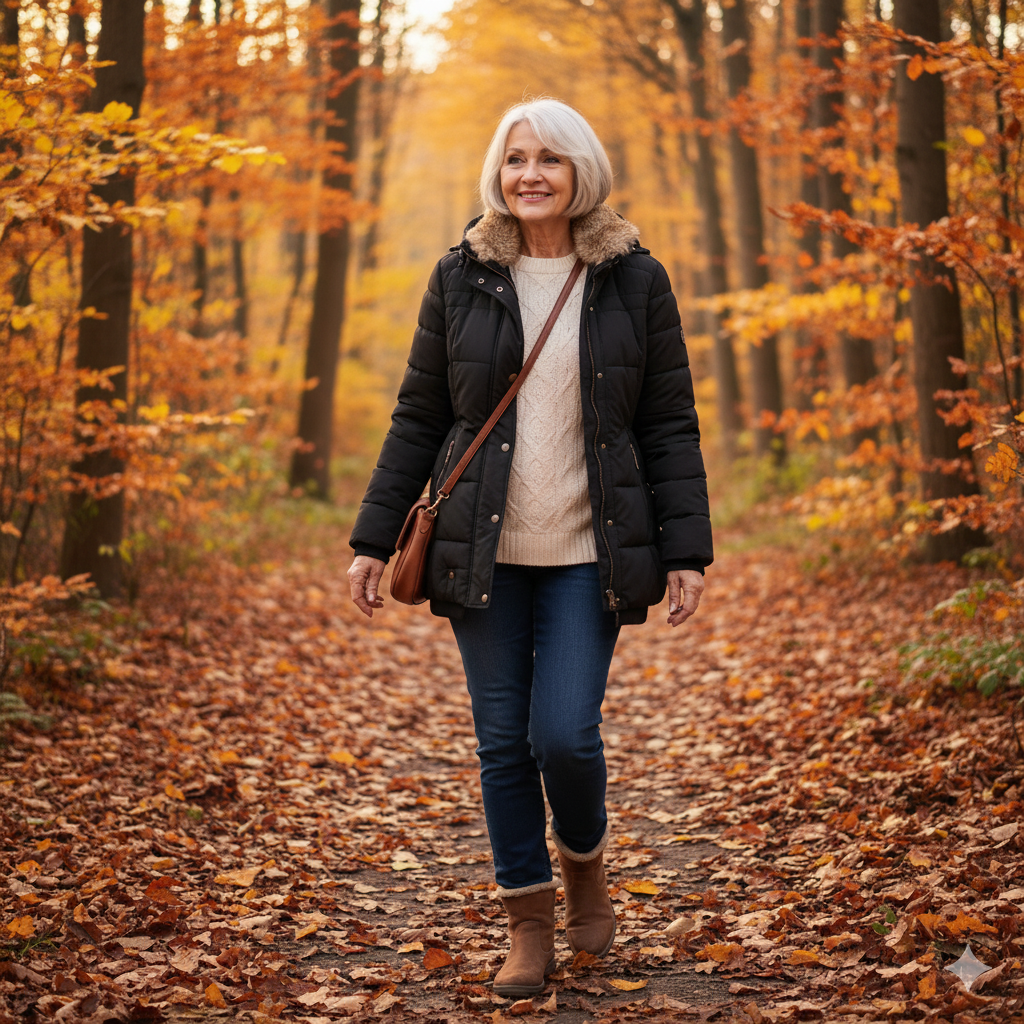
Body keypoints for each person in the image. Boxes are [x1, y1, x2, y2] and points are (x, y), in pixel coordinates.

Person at [347, 98, 712, 997]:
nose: (531, 175)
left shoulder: (635, 279)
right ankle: (528, 923)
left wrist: (686, 550)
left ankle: (583, 858)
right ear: (497, 174)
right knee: (503, 745)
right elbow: (420, 416)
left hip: (594, 550)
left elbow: (669, 422)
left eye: (550, 158)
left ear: (582, 169)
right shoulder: (461, 274)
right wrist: (371, 537)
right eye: (516, 160)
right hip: (483, 551)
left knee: (567, 736)